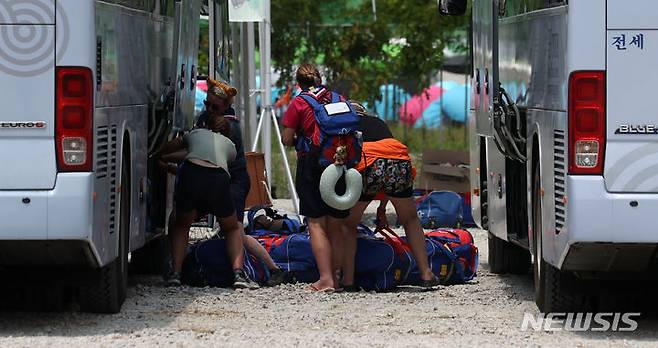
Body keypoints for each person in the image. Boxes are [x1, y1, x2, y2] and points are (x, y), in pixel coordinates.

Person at [196, 78, 289, 287]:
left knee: (235, 230)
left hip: (234, 182)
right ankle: (272, 268)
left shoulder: (230, 125)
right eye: (207, 104)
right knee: (234, 231)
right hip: (216, 179)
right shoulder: (204, 118)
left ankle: (263, 270)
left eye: (215, 106)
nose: (210, 109)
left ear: (226, 106)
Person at [341, 104, 441, 291]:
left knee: (349, 224)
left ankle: (347, 280)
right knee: (410, 219)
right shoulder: (379, 122)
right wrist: (382, 208)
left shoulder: (347, 125)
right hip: (398, 162)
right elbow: (387, 169)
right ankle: (426, 273)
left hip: (368, 161)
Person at [158, 109, 259, 289]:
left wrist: (162, 155)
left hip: (191, 175)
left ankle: (175, 274)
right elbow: (211, 160)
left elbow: (183, 151)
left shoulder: (195, 133)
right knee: (232, 228)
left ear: (204, 125)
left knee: (181, 224)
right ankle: (238, 274)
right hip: (218, 180)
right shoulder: (231, 147)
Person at [282, 64, 349, 292]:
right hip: (339, 163)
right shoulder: (338, 98)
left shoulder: (299, 102)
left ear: (298, 83)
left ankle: (325, 279)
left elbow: (286, 138)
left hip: (312, 165)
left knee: (316, 223)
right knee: (336, 225)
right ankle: (337, 278)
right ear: (320, 79)